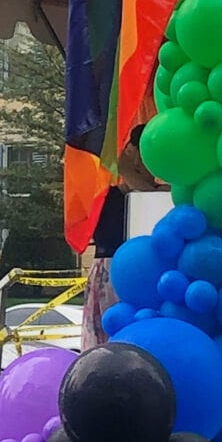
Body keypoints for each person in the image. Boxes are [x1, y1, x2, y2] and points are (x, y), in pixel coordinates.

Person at [81, 125, 161, 350]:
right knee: (109, 337)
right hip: (112, 269)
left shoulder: (163, 193)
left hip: (145, 270)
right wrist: (126, 168)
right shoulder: (107, 197)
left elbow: (150, 196)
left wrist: (128, 168)